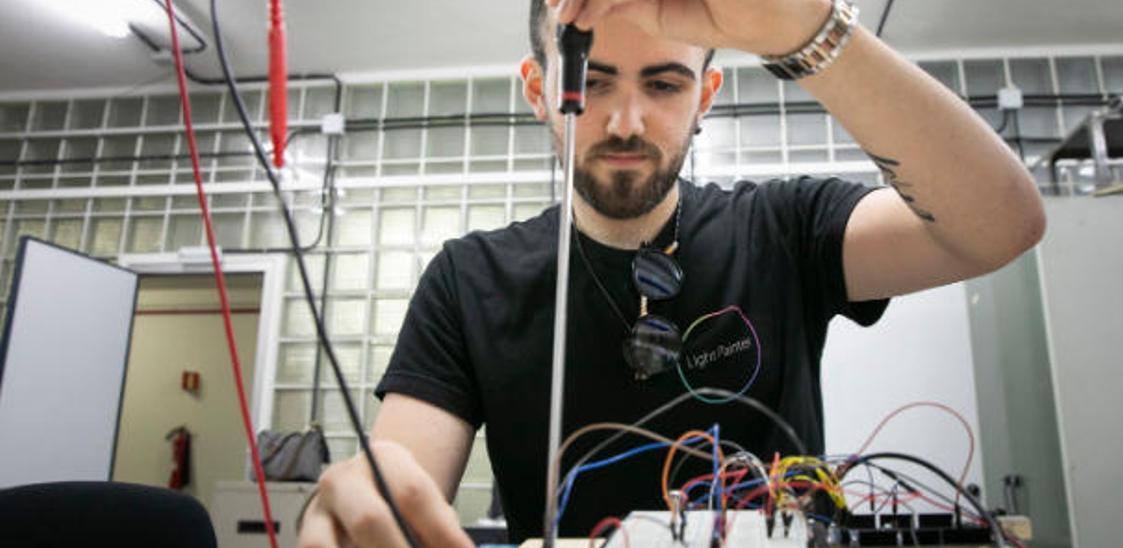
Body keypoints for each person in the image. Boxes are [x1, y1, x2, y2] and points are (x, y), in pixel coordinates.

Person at [298, 0, 1045, 546]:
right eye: (591, 84)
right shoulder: (469, 279)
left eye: (662, 85)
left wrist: (808, 29)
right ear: (538, 92)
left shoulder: (784, 228)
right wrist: (366, 499)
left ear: (704, 99)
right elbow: (402, 483)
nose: (625, 122)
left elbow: (1003, 226)